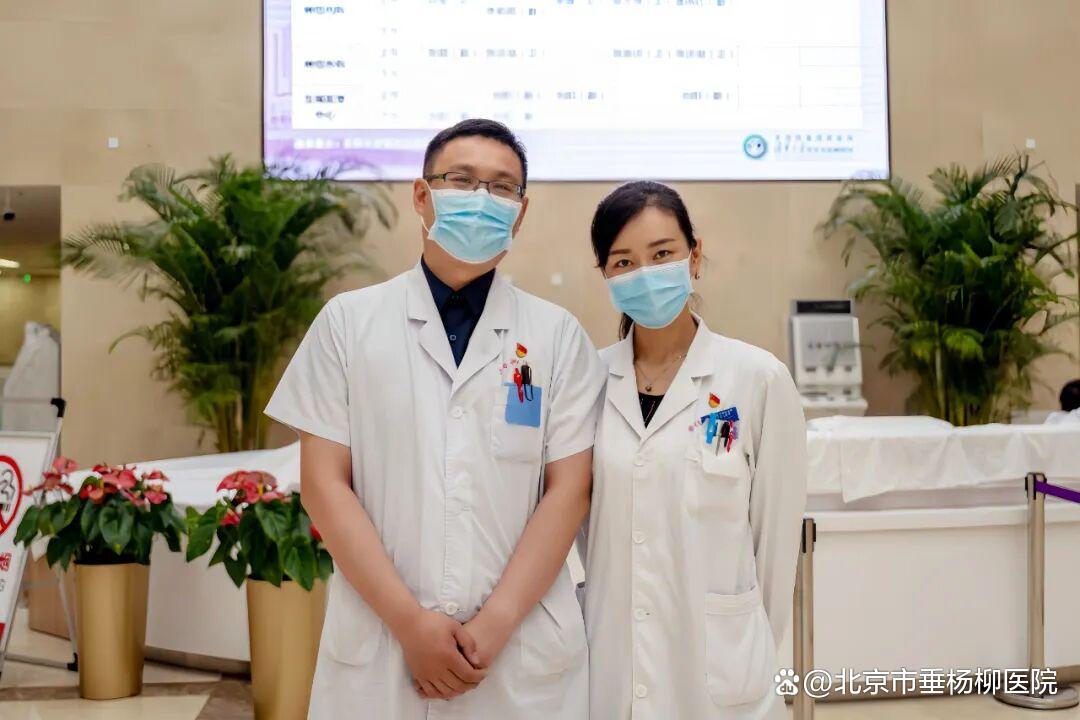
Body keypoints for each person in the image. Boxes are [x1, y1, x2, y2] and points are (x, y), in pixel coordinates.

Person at [265, 119, 605, 719]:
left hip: (517, 651)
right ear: (421, 195)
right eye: (461, 180)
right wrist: (410, 623)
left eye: (502, 187)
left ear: (520, 213)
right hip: (382, 644)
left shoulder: (557, 336)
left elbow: (569, 490)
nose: (482, 199)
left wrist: (495, 624)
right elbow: (323, 484)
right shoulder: (348, 323)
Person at [582, 181, 807, 719]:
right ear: (606, 276)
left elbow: (775, 547)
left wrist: (744, 643)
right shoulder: (587, 381)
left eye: (662, 254)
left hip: (720, 671)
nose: (645, 274)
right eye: (624, 262)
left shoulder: (756, 379)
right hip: (612, 660)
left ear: (695, 255)